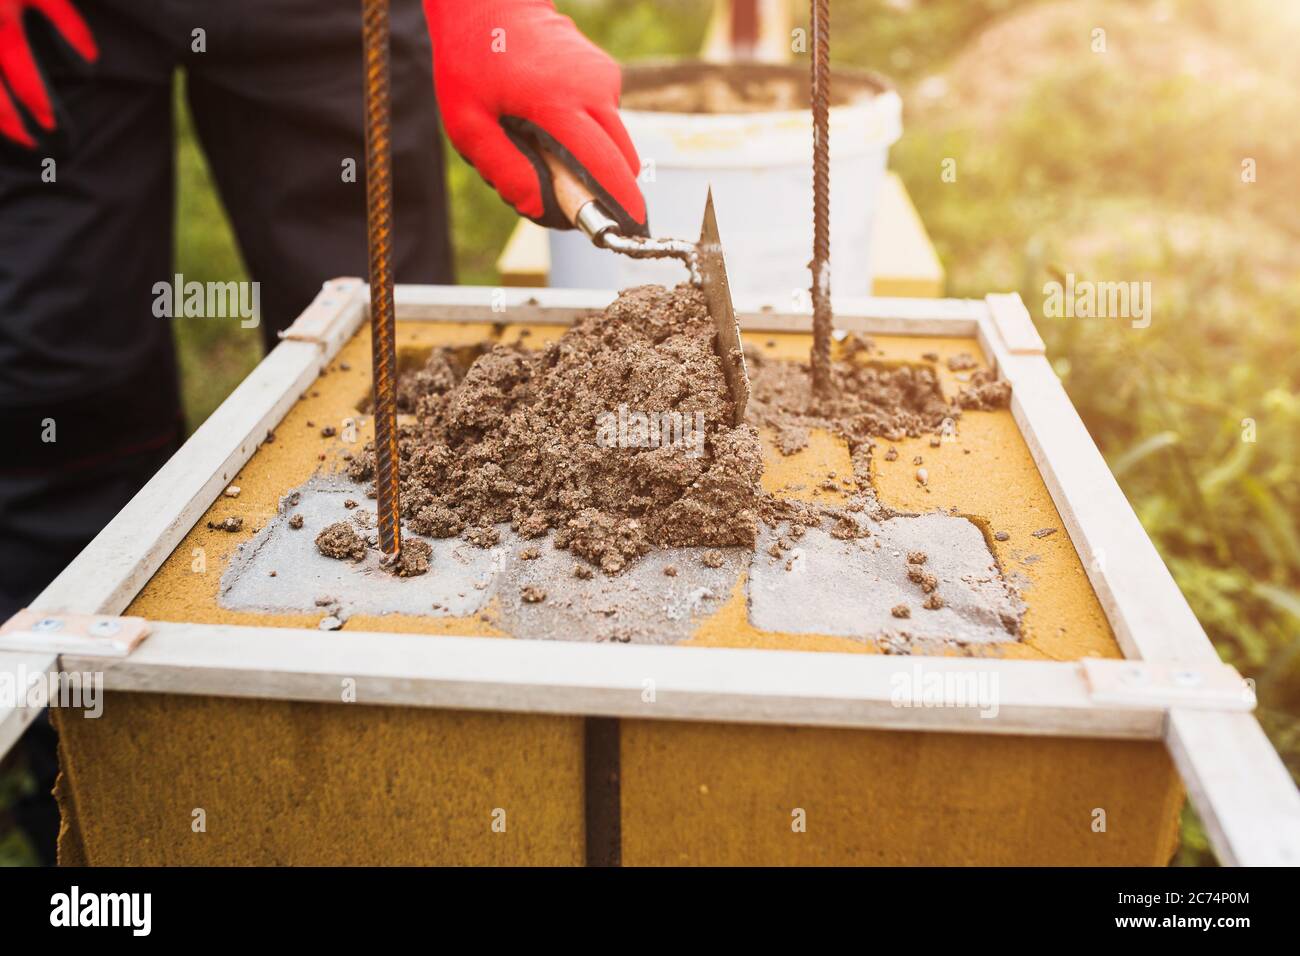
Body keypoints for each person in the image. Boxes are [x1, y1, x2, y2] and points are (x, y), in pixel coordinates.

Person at [0, 0, 646, 863]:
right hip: (62, 25)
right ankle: (103, 825)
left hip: (321, 17)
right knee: (59, 399)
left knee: (399, 404)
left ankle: (396, 794)